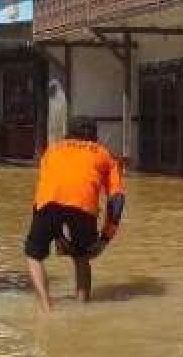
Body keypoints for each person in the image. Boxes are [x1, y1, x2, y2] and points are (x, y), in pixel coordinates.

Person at [24, 117, 124, 311]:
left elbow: (44, 191)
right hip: (84, 207)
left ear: (68, 134)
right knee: (82, 255)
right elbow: (117, 199)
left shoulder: (52, 150)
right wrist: (105, 238)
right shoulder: (104, 154)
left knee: (33, 255)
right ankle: (82, 308)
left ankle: (46, 307)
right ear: (94, 136)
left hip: (47, 203)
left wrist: (57, 235)